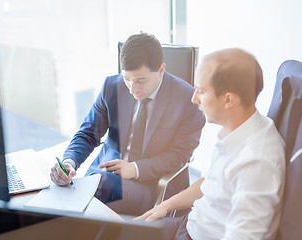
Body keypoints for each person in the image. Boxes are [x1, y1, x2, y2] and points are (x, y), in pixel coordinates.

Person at [136, 48, 286, 239]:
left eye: (202, 91)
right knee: (116, 231)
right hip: (190, 224)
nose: (194, 98)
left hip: (196, 236)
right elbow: (211, 182)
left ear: (228, 100)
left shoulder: (256, 162)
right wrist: (165, 206)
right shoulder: (237, 130)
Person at [50, 33, 205, 216]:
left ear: (161, 70)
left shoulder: (188, 100)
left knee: (85, 200)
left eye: (140, 80)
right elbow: (89, 132)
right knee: (68, 193)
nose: (132, 89)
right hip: (102, 177)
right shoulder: (112, 86)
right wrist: (69, 162)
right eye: (127, 79)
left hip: (149, 185)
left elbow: (179, 155)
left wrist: (135, 169)